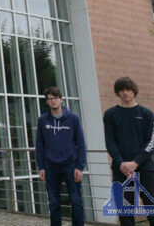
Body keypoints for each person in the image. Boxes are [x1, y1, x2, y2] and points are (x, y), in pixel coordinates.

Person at [103, 77, 154, 226]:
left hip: (145, 169)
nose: (125, 93)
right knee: (125, 213)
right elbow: (110, 142)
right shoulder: (110, 114)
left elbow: (151, 142)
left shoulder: (147, 114)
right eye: (121, 90)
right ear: (117, 92)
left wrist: (135, 162)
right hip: (121, 170)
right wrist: (122, 163)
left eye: (128, 89)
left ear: (134, 91)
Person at [35, 86, 86, 226]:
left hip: (71, 165)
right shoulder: (43, 120)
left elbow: (81, 144)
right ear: (46, 102)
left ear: (61, 99)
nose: (53, 101)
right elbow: (40, 145)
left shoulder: (73, 119)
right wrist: (41, 167)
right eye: (49, 99)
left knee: (76, 201)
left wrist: (80, 167)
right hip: (51, 167)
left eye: (55, 98)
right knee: (53, 203)